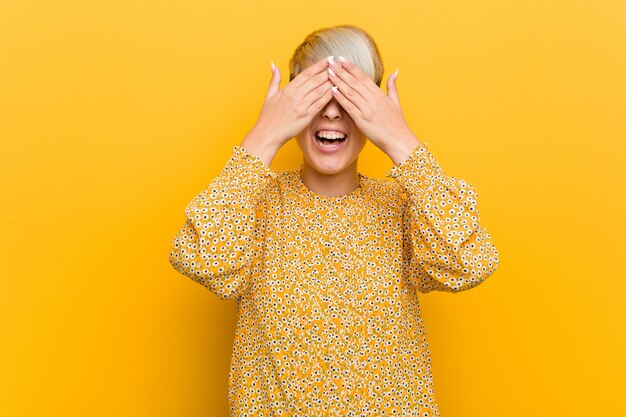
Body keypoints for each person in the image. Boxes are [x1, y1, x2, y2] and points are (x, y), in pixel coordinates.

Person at [169, 24, 499, 417]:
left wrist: (401, 141)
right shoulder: (256, 205)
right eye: (315, 94)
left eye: (350, 95)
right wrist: (263, 136)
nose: (330, 110)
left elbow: (469, 262)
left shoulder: (402, 207)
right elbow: (202, 259)